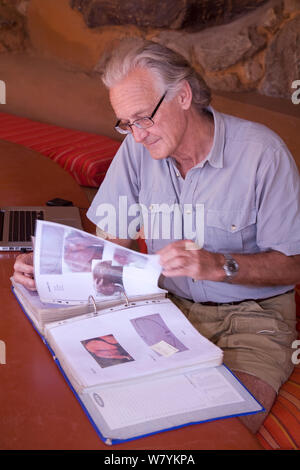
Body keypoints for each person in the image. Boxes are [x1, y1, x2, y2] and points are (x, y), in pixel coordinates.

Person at [13, 38, 300, 433]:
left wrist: (219, 264)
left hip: (251, 321)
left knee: (213, 434)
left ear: (183, 95)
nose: (137, 135)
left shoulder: (263, 155)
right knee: (107, 410)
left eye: (143, 118)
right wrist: (49, 265)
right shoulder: (136, 150)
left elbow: (293, 266)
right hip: (164, 308)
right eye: (125, 123)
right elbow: (111, 246)